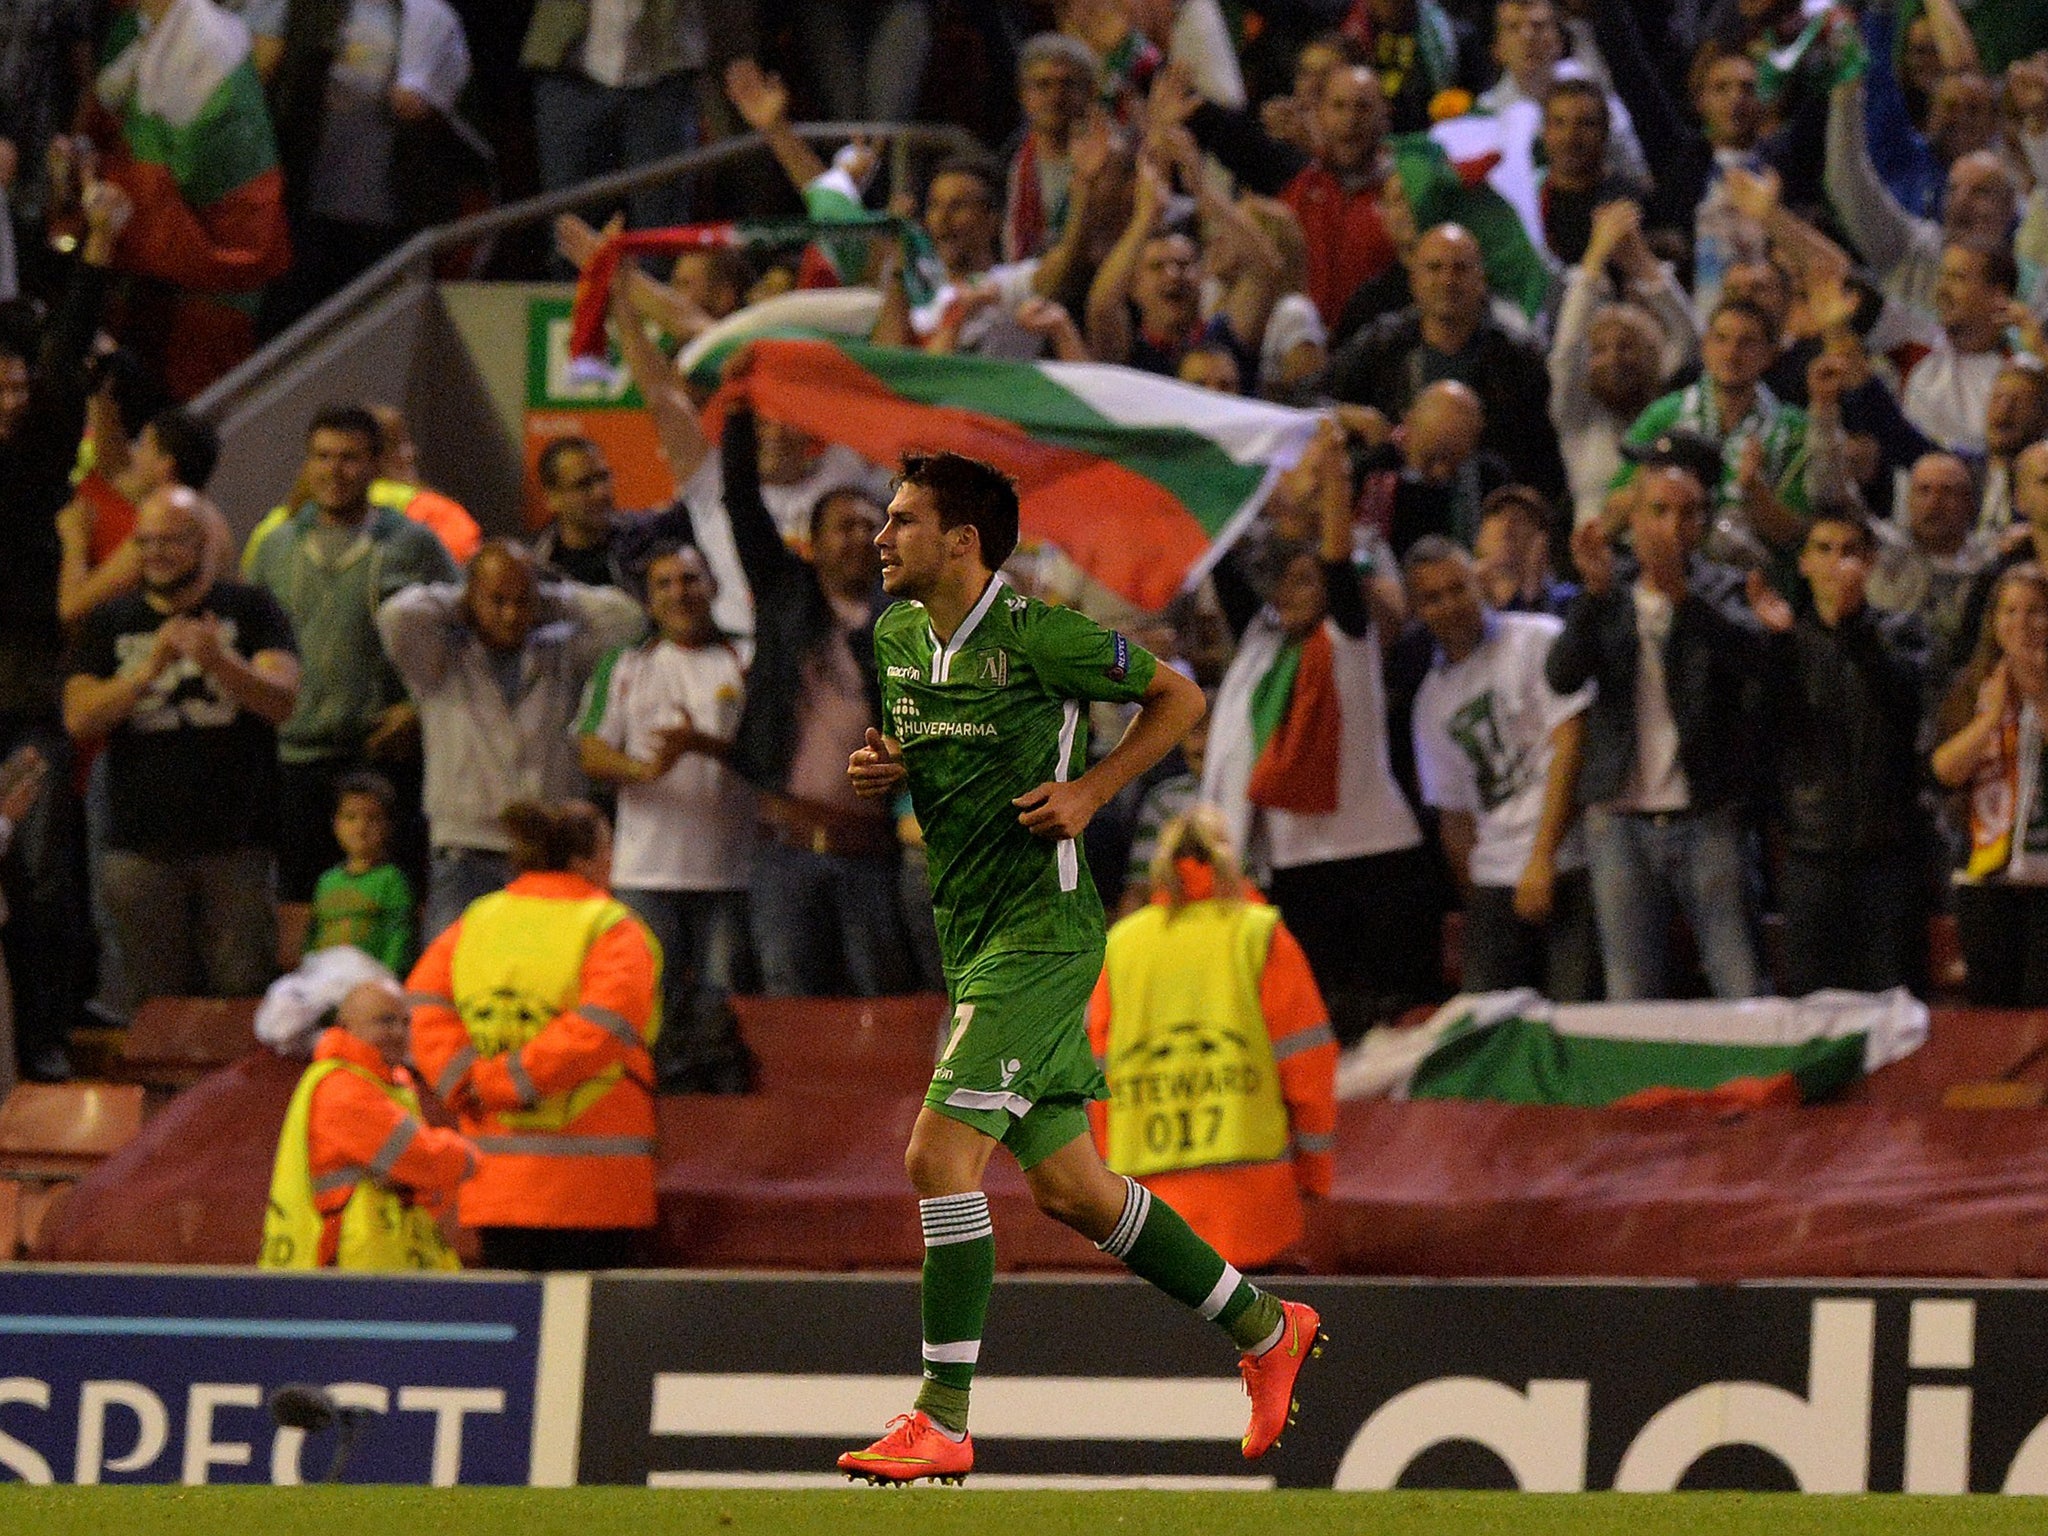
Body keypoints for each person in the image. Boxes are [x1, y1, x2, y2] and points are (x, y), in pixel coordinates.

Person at [838, 452, 1321, 1484]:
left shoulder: (1038, 637)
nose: (880, 537)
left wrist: (1093, 792)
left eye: (901, 520)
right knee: (1071, 1190)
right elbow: (936, 744)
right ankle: (1264, 1326)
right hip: (968, 939)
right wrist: (891, 761)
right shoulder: (891, 636)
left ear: (961, 540)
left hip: (1040, 935)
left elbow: (1179, 698)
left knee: (936, 1156)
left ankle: (941, 1414)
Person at [63, 485, 300, 1008]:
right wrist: (148, 671)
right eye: (145, 541)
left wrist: (219, 661)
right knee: (152, 1012)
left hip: (237, 844)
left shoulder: (253, 608)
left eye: (171, 541)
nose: (156, 554)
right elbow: (79, 718)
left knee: (240, 1005)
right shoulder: (109, 621)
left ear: (204, 542)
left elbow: (283, 701)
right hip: (139, 849)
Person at [712, 382, 911, 997]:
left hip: (872, 852)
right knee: (789, 1004)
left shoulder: (911, 623)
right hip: (785, 850)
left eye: (870, 527)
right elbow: (741, 500)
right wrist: (740, 409)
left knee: (880, 1001)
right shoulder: (783, 594)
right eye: (842, 527)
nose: (858, 538)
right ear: (813, 543)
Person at [1546, 460, 1770, 1001]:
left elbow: (1754, 663)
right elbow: (1561, 676)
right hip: (1618, 821)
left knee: (1738, 979)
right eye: (1659, 511)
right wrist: (1594, 597)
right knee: (1630, 989)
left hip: (1707, 816)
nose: (1673, 526)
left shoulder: (1725, 590)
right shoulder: (1609, 592)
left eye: (1689, 513)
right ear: (1636, 519)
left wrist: (1682, 601)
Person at [406, 799, 661, 1271]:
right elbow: (602, 1028)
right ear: (588, 857)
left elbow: (424, 1007)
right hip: (596, 1188)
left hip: (498, 1180)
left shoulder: (476, 920)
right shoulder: (613, 928)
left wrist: (470, 1083)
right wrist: (513, 1080)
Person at [1086, 807, 1336, 1270]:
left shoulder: (1120, 946)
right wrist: (1315, 1174)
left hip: (1148, 1216)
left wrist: (1109, 1182)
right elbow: (1307, 1065)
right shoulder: (1259, 936)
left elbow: (1094, 1078)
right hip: (1254, 1211)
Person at [376, 539, 645, 941]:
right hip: (464, 850)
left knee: (546, 976)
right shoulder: (438, 656)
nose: (511, 614)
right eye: (497, 600)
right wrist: (461, 600)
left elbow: (628, 618)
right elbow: (395, 615)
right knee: (451, 980)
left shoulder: (562, 650)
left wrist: (548, 598)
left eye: (523, 602)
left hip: (547, 850)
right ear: (470, 598)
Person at [246, 405, 456, 908]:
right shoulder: (274, 548)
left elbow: (463, 634)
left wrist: (418, 706)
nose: (333, 471)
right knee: (301, 908)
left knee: (388, 909)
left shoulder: (415, 544)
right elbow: (250, 644)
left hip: (381, 760)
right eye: (321, 457)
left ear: (376, 464)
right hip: (295, 761)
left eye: (349, 458)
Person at [578, 543, 756, 1093]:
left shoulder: (745, 659)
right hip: (644, 872)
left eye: (690, 579)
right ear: (649, 599)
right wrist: (645, 769)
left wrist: (699, 746)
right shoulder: (627, 664)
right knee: (648, 1004)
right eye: (665, 584)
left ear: (713, 586)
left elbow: (769, 755)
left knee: (719, 1009)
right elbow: (588, 747)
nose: (679, 593)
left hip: (729, 870)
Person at [1407, 536, 1599, 1000]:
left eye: (1458, 588)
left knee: (1574, 1017)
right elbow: (1454, 819)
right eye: (1433, 597)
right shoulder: (1429, 702)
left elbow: (1573, 742)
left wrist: (1542, 859)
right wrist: (1477, 903)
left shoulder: (1538, 639)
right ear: (1418, 610)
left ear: (1480, 583)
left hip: (1570, 860)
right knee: (1485, 1025)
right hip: (1495, 878)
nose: (1450, 604)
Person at [1749, 510, 1930, 995]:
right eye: (1824, 550)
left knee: (1897, 1004)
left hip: (1889, 856)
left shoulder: (1900, 633)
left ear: (1870, 562)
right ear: (1804, 563)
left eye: (1850, 550)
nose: (1837, 563)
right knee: (1814, 1005)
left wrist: (1853, 629)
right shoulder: (1784, 643)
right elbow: (1767, 732)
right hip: (1812, 854)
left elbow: (1904, 708)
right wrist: (1782, 648)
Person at [259, 976, 477, 1271]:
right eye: (385, 1021)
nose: (398, 1032)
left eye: (404, 1022)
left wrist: (413, 1178)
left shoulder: (389, 1084)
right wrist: (466, 1155)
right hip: (348, 1264)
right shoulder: (342, 1088)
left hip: (381, 1261)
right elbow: (425, 1159)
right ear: (346, 1028)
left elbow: (425, 1177)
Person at [1931, 563, 2048, 1006]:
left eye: (2036, 611)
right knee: (1990, 1009)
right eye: (2009, 611)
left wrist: (2038, 695)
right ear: (1993, 621)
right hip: (1987, 877)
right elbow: (1943, 771)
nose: (2021, 623)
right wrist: (1990, 720)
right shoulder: (1973, 685)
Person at [305, 771, 415, 974]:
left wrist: (387, 978)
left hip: (370, 979)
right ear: (336, 824)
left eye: (372, 819)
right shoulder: (327, 881)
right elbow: (313, 936)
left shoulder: (390, 879)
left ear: (388, 825)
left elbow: (398, 935)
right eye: (350, 817)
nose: (361, 828)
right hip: (326, 979)